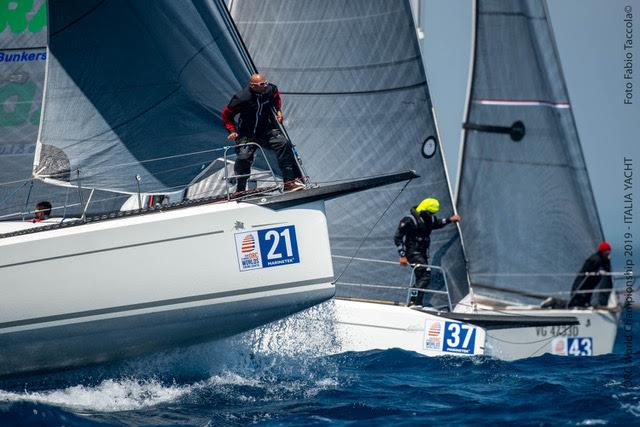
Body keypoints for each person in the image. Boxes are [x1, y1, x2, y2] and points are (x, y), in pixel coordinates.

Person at [221, 73, 305, 193]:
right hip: (247, 134)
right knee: (244, 157)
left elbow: (276, 96)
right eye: (262, 84)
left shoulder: (270, 89)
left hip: (265, 130)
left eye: (266, 82)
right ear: (253, 86)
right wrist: (232, 130)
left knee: (283, 143)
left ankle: (289, 182)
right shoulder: (241, 98)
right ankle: (240, 190)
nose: (265, 85)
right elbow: (226, 115)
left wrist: (278, 111)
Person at [394, 198, 460, 307]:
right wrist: (402, 255)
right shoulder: (409, 220)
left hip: (423, 253)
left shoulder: (429, 219)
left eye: (433, 213)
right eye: (430, 212)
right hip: (412, 253)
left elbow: (438, 223)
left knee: (421, 277)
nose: (431, 215)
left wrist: (450, 219)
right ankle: (415, 302)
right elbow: (397, 237)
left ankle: (414, 302)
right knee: (425, 275)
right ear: (424, 210)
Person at [568, 241, 613, 307]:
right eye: (606, 251)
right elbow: (588, 269)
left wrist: (607, 262)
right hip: (584, 281)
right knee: (581, 294)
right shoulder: (594, 259)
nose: (608, 253)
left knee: (588, 293)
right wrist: (598, 271)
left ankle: (587, 304)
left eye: (609, 251)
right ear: (602, 251)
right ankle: (576, 304)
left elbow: (607, 269)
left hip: (592, 282)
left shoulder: (604, 259)